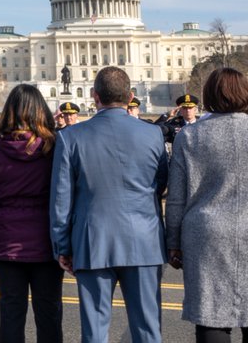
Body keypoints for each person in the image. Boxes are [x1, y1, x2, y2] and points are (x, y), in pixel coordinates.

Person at [50, 66, 168, 343]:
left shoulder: (70, 137)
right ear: (130, 96)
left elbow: (61, 198)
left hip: (93, 240)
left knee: (94, 332)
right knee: (148, 330)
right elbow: (159, 184)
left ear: (94, 96)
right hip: (144, 239)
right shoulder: (153, 135)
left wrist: (62, 245)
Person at [166, 68, 248, 343]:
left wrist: (172, 241)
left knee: (211, 317)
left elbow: (176, 197)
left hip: (206, 233)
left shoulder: (190, 136)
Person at [0, 84, 64, 343]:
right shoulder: (55, 146)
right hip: (47, 237)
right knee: (49, 313)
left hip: (6, 237)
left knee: (11, 313)